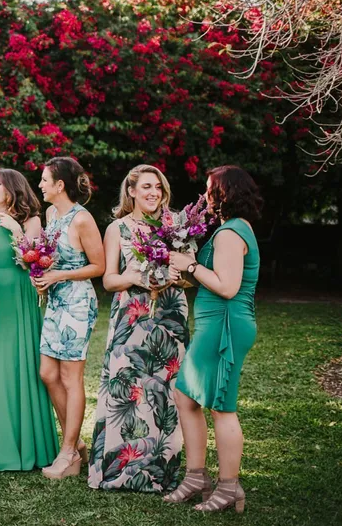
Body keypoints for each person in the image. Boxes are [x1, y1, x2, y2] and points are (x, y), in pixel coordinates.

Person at [164, 166, 262, 513]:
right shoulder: (229, 230)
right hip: (215, 323)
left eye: (210, 190)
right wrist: (185, 274)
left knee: (221, 406)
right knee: (186, 394)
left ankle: (229, 487)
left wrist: (189, 265)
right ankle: (196, 477)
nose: (205, 197)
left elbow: (227, 286)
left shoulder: (231, 233)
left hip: (225, 326)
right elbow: (214, 279)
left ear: (227, 193)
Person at [88, 165, 187, 492]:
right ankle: (120, 472)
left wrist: (178, 276)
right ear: (130, 191)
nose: (153, 193)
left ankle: (161, 473)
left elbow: (188, 273)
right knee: (127, 389)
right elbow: (108, 281)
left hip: (170, 315)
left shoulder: (175, 226)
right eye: (146, 187)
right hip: (132, 317)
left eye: (158, 187)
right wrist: (133, 276)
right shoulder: (117, 228)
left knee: (164, 390)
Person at [0, 168, 60, 471]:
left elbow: (34, 264)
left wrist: (17, 232)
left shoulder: (31, 221)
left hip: (19, 299)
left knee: (21, 366)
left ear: (13, 189)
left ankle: (27, 445)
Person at [33, 156, 105, 479]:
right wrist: (42, 271)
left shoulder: (82, 219)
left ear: (60, 185)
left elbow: (99, 267)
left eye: (45, 180)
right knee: (47, 373)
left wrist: (59, 275)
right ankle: (73, 446)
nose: (40, 185)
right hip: (55, 301)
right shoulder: (51, 214)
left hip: (77, 302)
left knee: (70, 378)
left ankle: (67, 453)